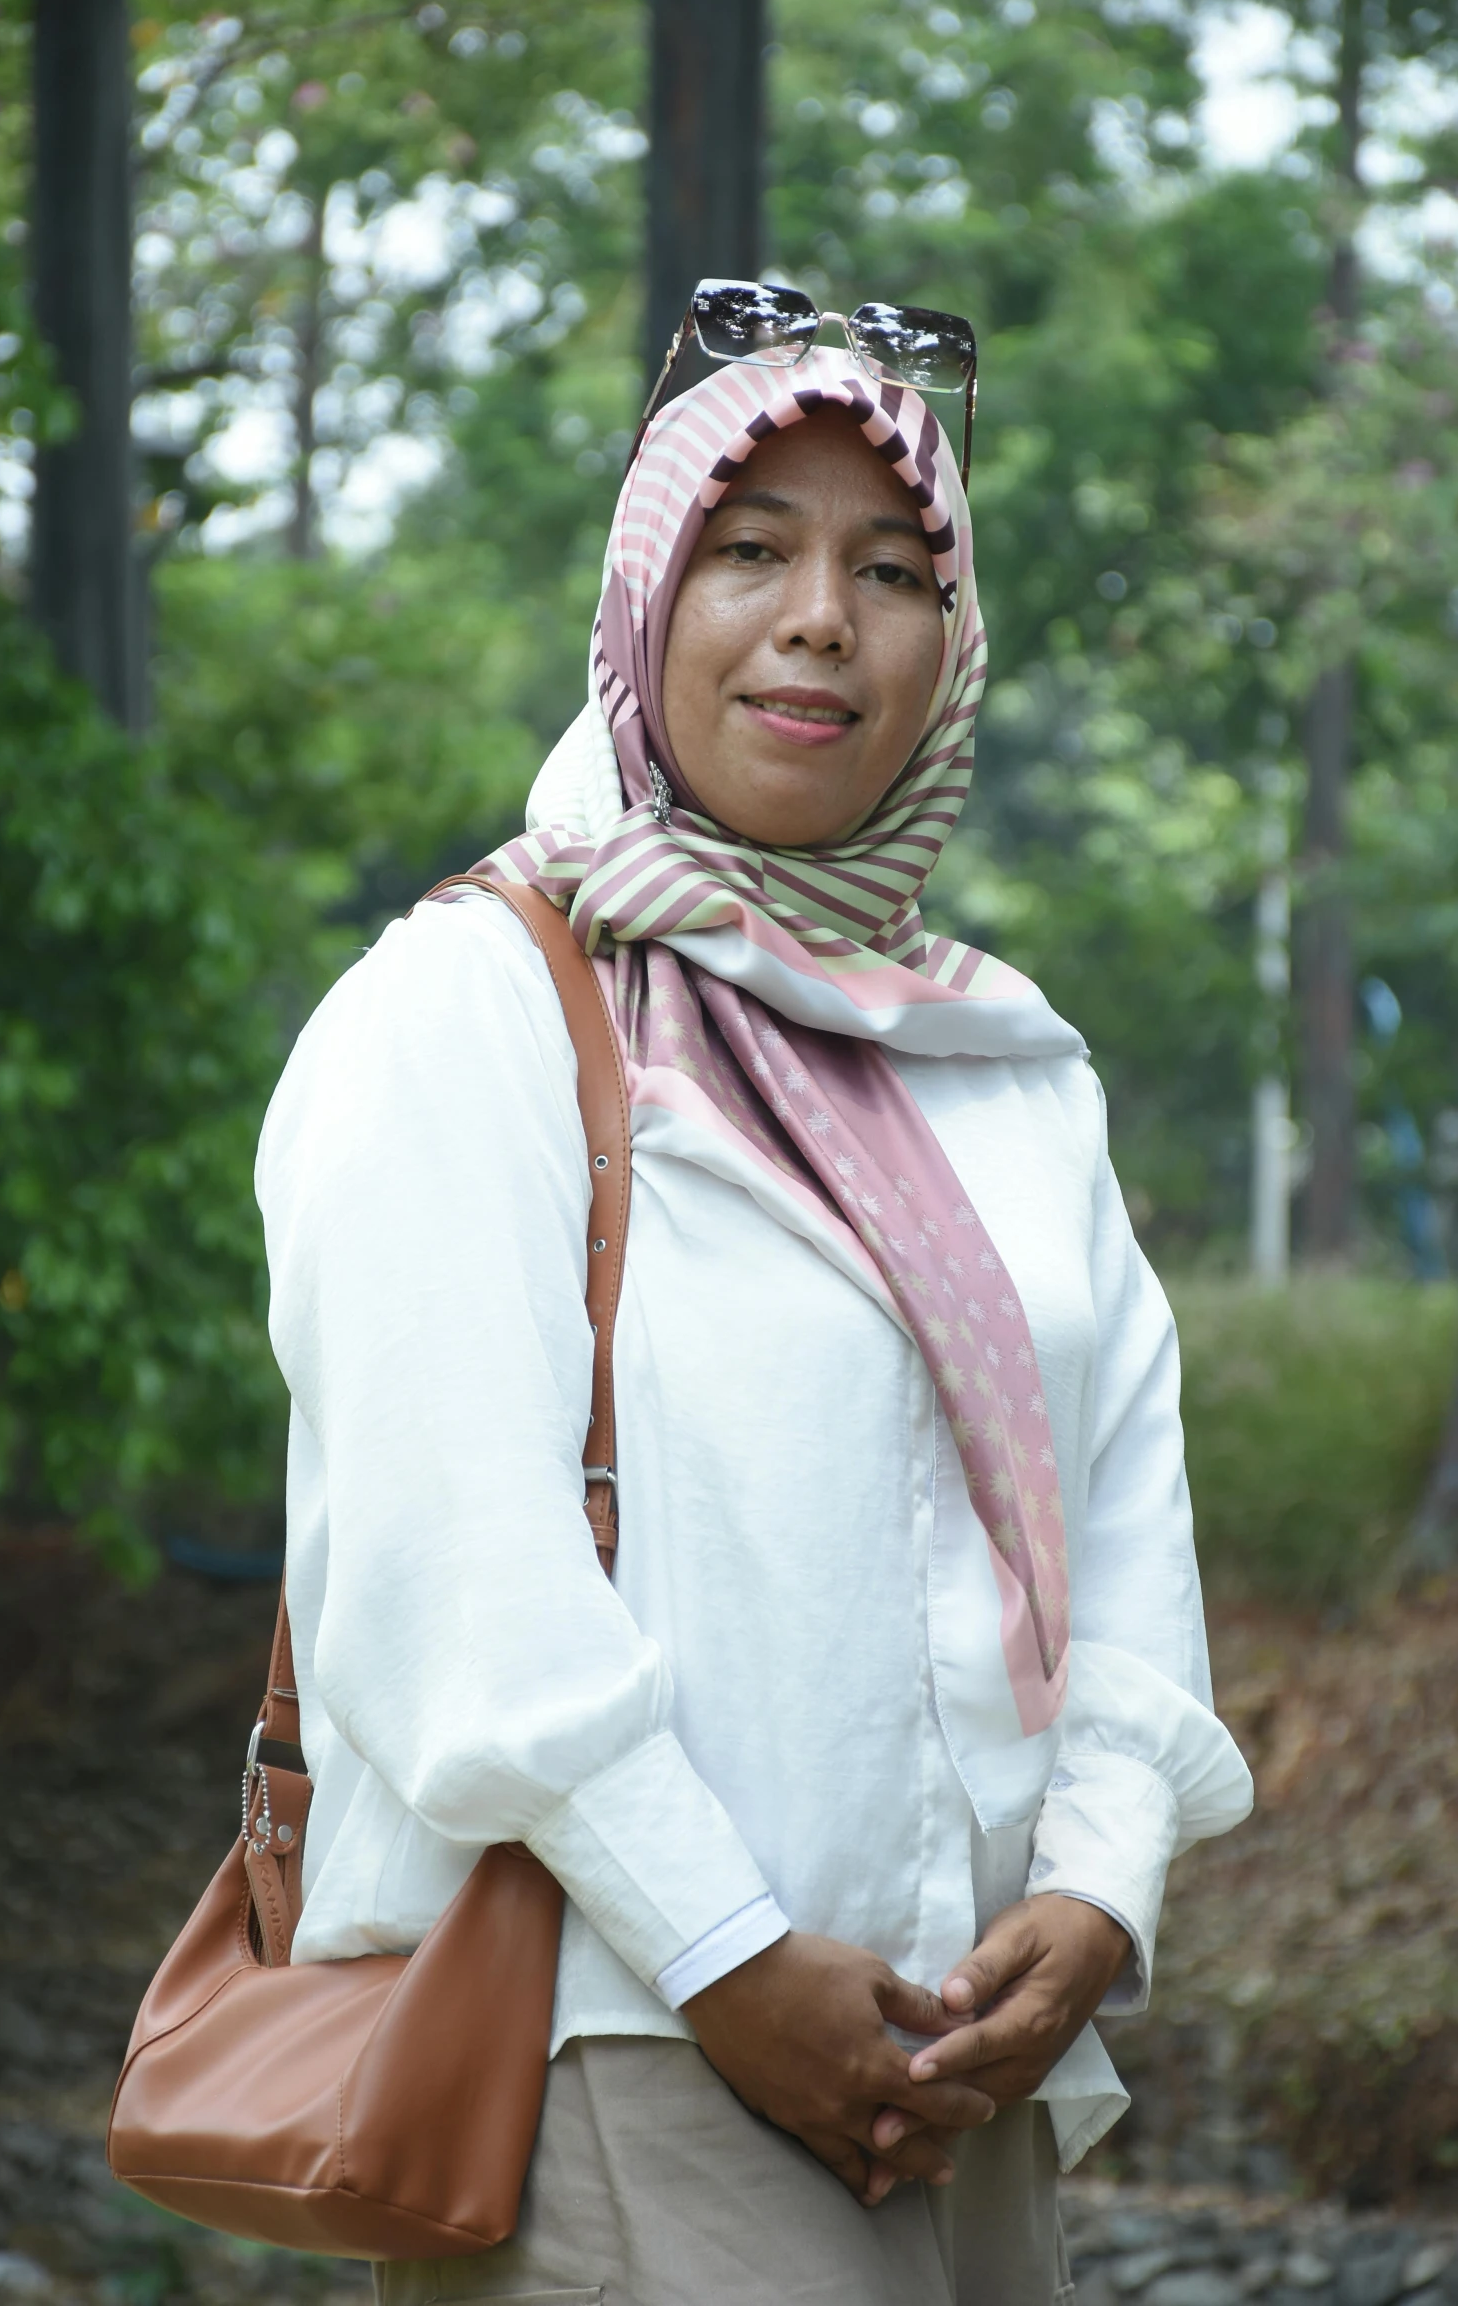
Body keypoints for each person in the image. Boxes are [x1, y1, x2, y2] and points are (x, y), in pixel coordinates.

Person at [255, 339, 1253, 2306]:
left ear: (948, 645)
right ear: (644, 599)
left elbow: (1130, 1500)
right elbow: (449, 1557)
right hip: (622, 2047)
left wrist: (1095, 1885)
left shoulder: (998, 1061)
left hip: (965, 2070)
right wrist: (723, 1947)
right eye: (751, 549)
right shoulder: (472, 1012)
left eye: (894, 568)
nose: (822, 620)